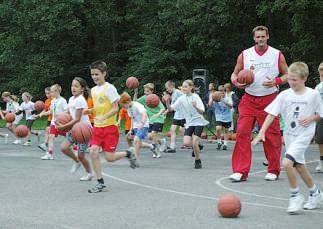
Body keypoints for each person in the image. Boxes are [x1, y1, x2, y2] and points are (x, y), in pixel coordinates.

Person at [253, 62, 323, 214]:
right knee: (299, 166)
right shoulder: (284, 95)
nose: (291, 82)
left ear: (304, 78)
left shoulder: (313, 94)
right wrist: (262, 131)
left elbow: (320, 114)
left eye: (295, 79)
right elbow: (272, 113)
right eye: (289, 79)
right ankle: (315, 193)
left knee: (286, 162)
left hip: (304, 135)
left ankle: (295, 196)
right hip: (289, 135)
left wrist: (311, 118)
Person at [230, 25, 288, 182]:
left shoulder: (277, 54)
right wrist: (236, 82)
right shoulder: (245, 54)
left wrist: (276, 81)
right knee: (242, 133)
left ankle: (273, 170)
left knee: (271, 135)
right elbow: (234, 74)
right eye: (258, 37)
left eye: (263, 36)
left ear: (268, 37)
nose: (260, 39)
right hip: (249, 98)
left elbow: (287, 74)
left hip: (269, 99)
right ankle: (240, 171)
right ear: (254, 38)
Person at [86, 60, 137, 193]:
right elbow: (98, 107)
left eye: (97, 74)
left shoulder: (110, 88)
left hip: (109, 128)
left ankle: (128, 153)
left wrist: (104, 117)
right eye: (92, 74)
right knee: (93, 152)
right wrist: (91, 111)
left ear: (104, 73)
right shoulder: (93, 90)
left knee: (109, 158)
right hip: (97, 128)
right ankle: (100, 182)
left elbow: (115, 108)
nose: (94, 77)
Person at [56, 77, 94, 181]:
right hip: (74, 129)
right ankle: (76, 161)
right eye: (72, 86)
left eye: (76, 86)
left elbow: (77, 119)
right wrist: (59, 119)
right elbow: (68, 113)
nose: (73, 88)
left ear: (82, 89)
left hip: (83, 131)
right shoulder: (71, 99)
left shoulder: (80, 100)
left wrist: (63, 127)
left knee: (82, 156)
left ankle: (89, 173)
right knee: (64, 148)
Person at [167, 80, 209, 169]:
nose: (183, 88)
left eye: (186, 86)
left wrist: (195, 106)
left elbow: (202, 111)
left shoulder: (196, 97)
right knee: (186, 143)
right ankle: (197, 146)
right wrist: (167, 101)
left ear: (191, 88)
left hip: (198, 122)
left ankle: (198, 160)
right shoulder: (182, 98)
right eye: (183, 86)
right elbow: (170, 109)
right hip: (189, 123)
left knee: (194, 142)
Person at [36, 84, 68, 160]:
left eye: (52, 92)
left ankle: (76, 142)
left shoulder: (63, 101)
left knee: (69, 136)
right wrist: (42, 114)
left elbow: (67, 111)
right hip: (54, 122)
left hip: (62, 123)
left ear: (57, 91)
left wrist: (59, 114)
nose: (50, 93)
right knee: (51, 136)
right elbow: (51, 111)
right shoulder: (53, 100)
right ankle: (49, 154)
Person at [134, 83, 166, 158]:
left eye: (147, 91)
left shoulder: (155, 98)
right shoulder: (144, 98)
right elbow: (135, 102)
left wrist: (158, 114)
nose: (146, 93)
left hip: (158, 119)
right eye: (145, 91)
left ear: (152, 91)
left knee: (153, 135)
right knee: (149, 137)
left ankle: (157, 151)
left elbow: (163, 109)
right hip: (150, 120)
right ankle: (162, 141)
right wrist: (136, 93)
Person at [119, 92, 154, 159]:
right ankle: (151, 146)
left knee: (136, 140)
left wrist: (142, 123)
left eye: (123, 105)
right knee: (129, 138)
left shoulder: (137, 105)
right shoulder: (128, 108)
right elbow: (132, 118)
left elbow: (144, 113)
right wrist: (130, 129)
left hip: (143, 125)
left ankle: (135, 157)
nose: (123, 107)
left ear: (128, 101)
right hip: (136, 126)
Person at [164, 80, 186, 153]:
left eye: (167, 88)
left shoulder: (178, 92)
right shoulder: (173, 94)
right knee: (172, 129)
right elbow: (172, 106)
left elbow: (186, 98)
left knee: (183, 131)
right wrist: (166, 111)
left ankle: (196, 144)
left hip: (183, 114)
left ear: (171, 86)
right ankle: (172, 147)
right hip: (177, 114)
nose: (167, 90)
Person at [212, 85, 233, 150]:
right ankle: (219, 142)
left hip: (227, 117)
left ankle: (225, 144)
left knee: (226, 131)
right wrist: (211, 98)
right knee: (218, 128)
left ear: (225, 92)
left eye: (223, 92)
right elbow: (209, 105)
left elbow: (230, 106)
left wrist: (223, 101)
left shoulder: (228, 98)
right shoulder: (216, 98)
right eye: (220, 92)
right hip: (219, 117)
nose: (222, 94)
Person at [38, 87, 53, 152]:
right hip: (50, 119)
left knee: (64, 133)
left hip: (57, 119)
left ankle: (73, 141)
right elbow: (44, 109)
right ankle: (45, 144)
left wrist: (43, 114)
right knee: (47, 130)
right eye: (46, 93)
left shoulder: (54, 100)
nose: (47, 95)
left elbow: (50, 111)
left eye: (48, 93)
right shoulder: (47, 101)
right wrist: (40, 114)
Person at [314, 62, 323, 172]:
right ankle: (321, 162)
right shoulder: (318, 88)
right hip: (321, 117)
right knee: (320, 140)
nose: (322, 78)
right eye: (321, 75)